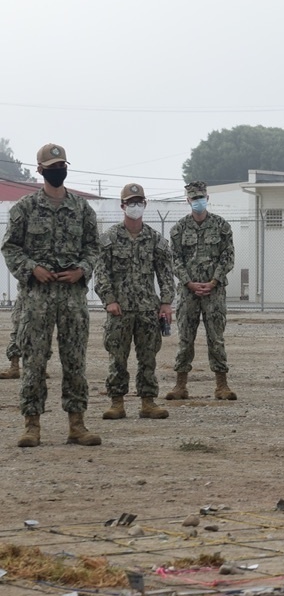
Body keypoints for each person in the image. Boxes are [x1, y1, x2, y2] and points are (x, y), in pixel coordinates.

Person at [1, 143, 101, 447]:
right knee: (34, 362)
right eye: (53, 166)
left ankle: (77, 424)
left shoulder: (82, 209)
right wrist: (32, 268)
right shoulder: (26, 208)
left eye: (62, 165)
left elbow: (93, 247)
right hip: (37, 298)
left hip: (72, 297)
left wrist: (81, 270)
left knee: (74, 361)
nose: (59, 170)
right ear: (41, 170)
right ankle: (32, 425)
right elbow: (10, 247)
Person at [95, 183, 175, 421]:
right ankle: (117, 403)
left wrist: (166, 303)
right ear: (123, 206)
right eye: (131, 202)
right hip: (119, 310)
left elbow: (165, 274)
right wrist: (109, 300)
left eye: (139, 202)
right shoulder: (109, 239)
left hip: (147, 309)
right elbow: (101, 273)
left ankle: (148, 402)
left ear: (145, 205)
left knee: (148, 358)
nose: (135, 206)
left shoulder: (155, 240)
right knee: (117, 358)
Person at [167, 181, 237, 401]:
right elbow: (175, 259)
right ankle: (180, 385)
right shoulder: (178, 229)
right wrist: (189, 282)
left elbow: (228, 256)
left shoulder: (221, 226)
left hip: (214, 292)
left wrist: (214, 280)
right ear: (188, 200)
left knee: (216, 338)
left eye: (201, 197)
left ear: (207, 198)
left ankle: (221, 385)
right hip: (188, 292)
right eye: (194, 198)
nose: (198, 201)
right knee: (185, 338)